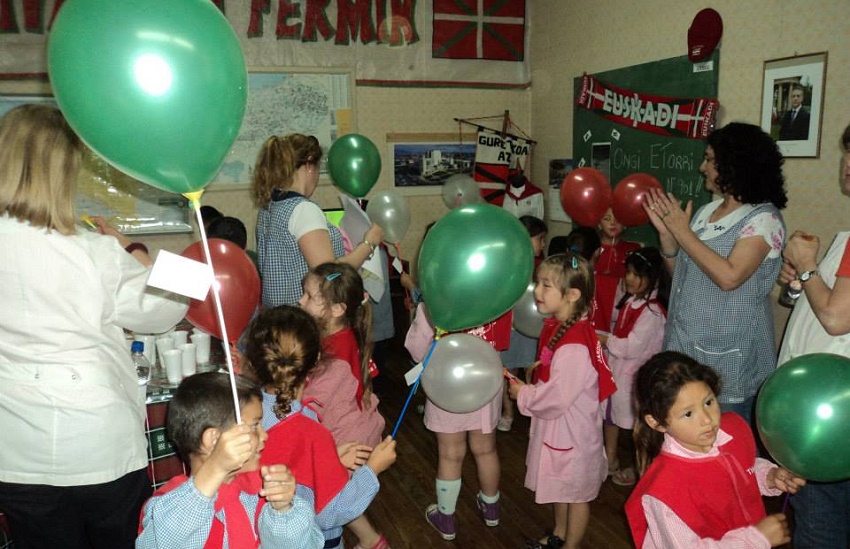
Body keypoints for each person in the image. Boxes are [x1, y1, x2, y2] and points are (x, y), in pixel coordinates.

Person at [0, 104, 188, 549]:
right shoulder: (93, 252)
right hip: (98, 444)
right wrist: (142, 253)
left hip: (15, 447)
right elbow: (165, 309)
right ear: (63, 173)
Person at [644, 122, 788, 424]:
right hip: (686, 345)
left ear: (735, 164)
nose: (702, 167)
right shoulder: (705, 212)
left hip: (729, 358)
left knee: (726, 444)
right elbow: (684, 273)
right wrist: (669, 238)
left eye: (709, 159)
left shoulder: (764, 219)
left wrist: (683, 232)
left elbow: (729, 277)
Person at [242, 305, 397, 549]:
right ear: (315, 360)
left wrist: (331, 458)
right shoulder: (311, 431)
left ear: (254, 361)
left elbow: (284, 461)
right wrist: (372, 469)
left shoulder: (246, 415)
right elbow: (332, 512)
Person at [625, 351, 806, 548]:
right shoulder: (664, 491)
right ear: (657, 422)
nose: (707, 419)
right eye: (688, 414)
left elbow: (744, 468)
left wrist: (770, 476)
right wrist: (756, 539)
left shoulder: (732, 429)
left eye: (709, 402)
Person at [136, 372, 323, 548]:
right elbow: (167, 541)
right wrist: (215, 469)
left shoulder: (258, 490)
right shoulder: (169, 508)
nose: (264, 435)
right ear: (214, 440)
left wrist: (282, 509)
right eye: (254, 426)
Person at [508, 253, 617, 549]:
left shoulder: (574, 347)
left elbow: (557, 398)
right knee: (559, 486)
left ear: (572, 295)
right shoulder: (561, 328)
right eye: (538, 283)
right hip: (560, 430)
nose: (537, 292)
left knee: (576, 494)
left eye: (546, 285)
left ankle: (571, 545)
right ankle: (559, 533)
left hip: (573, 434)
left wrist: (524, 394)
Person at [775, 123, 850, 549]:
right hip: (820, 410)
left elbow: (837, 320)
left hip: (828, 420)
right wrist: (800, 283)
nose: (848, 162)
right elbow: (820, 305)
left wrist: (806, 264)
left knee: (820, 530)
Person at [299, 262, 390, 549]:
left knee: (328, 500)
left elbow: (310, 399)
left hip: (344, 436)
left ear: (337, 309)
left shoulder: (333, 353)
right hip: (350, 424)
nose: (300, 301)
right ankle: (371, 540)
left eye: (309, 297)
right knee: (339, 495)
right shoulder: (340, 336)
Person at [406, 302, 507, 542]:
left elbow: (417, 349)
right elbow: (501, 342)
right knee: (486, 449)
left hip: (447, 385)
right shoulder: (496, 296)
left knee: (450, 454)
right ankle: (491, 508)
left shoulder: (435, 302)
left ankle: (447, 517)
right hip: (486, 384)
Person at [252, 133, 384, 307]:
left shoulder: (269, 208)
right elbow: (330, 274)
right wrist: (369, 243)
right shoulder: (304, 210)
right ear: (308, 165)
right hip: (305, 318)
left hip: (279, 316)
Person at [601, 247, 670, 487]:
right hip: (617, 373)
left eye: (635, 274)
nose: (628, 278)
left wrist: (605, 340)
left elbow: (631, 348)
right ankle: (610, 459)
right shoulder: (630, 301)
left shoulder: (653, 312)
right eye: (627, 272)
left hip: (635, 378)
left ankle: (643, 472)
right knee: (610, 416)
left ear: (653, 278)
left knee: (638, 430)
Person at [498, 215, 547, 432]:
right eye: (540, 239)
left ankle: (531, 409)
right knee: (507, 369)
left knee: (530, 367)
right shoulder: (505, 264)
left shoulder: (541, 267)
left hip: (531, 329)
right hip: (507, 326)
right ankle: (508, 412)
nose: (543, 244)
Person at [590, 208, 640, 333]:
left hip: (621, 312)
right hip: (593, 312)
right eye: (607, 219)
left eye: (618, 219)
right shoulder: (590, 247)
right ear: (599, 224)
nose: (613, 223)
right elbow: (573, 267)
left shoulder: (634, 249)